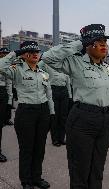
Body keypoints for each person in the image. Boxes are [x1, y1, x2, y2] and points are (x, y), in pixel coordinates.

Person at [42, 24, 109, 189]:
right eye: (98, 41)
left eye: (105, 41)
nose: (104, 44)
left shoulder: (107, 69)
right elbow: (47, 58)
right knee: (80, 171)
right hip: (83, 119)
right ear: (88, 45)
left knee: (97, 170)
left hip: (104, 120)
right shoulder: (75, 62)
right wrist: (80, 42)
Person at [0, 41, 55, 189]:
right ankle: (26, 181)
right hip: (26, 112)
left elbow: (49, 95)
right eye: (31, 51)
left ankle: (37, 178)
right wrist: (15, 53)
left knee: (40, 148)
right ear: (24, 54)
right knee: (26, 148)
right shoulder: (16, 70)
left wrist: (52, 113)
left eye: (37, 51)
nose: (36, 53)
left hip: (43, 112)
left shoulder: (44, 74)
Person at [38, 62, 72, 147]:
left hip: (64, 91)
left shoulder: (65, 67)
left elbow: (68, 83)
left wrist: (70, 96)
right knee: (54, 116)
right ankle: (55, 139)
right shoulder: (48, 65)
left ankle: (61, 138)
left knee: (63, 116)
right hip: (53, 90)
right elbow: (39, 65)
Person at [0, 47, 11, 163]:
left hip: (2, 93)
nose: (5, 55)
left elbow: (9, 84)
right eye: (3, 53)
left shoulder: (7, 66)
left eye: (6, 54)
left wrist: (9, 101)